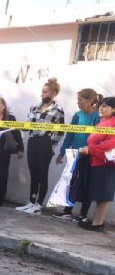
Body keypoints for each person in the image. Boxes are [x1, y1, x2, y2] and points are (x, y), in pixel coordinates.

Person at [16, 78, 66, 215]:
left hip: (46, 143)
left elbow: (60, 131)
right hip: (33, 141)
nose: (42, 95)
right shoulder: (34, 107)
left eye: (45, 92)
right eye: (42, 92)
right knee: (33, 173)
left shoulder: (58, 110)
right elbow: (27, 125)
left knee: (42, 174)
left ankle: (39, 204)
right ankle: (31, 201)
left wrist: (51, 145)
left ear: (53, 93)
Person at [53, 88, 100, 221]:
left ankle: (83, 214)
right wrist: (62, 152)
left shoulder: (97, 117)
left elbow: (98, 137)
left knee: (86, 183)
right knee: (72, 182)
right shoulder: (77, 115)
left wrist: (91, 150)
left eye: (80, 100)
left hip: (89, 155)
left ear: (90, 101)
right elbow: (70, 135)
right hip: (75, 154)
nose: (78, 102)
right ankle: (67, 210)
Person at [77, 96, 115, 231]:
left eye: (105, 106)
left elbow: (111, 143)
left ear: (114, 109)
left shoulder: (113, 122)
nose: (101, 108)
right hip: (95, 160)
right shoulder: (103, 122)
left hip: (107, 162)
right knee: (99, 192)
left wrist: (91, 149)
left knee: (104, 193)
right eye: (101, 105)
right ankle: (96, 221)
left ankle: (98, 223)